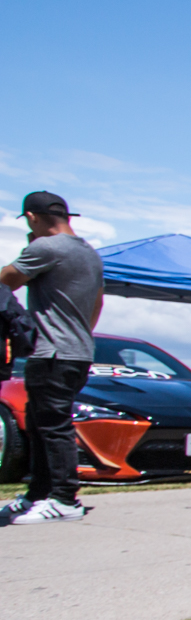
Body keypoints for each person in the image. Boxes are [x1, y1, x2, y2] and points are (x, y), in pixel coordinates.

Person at [1, 192, 104, 525]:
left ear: (32, 217)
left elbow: (5, 282)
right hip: (76, 351)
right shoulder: (89, 253)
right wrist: (79, 336)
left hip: (52, 352)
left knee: (52, 426)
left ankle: (64, 498)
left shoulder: (45, 248)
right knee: (40, 424)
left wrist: (29, 246)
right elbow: (97, 304)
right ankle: (37, 495)